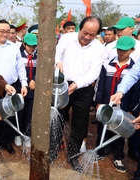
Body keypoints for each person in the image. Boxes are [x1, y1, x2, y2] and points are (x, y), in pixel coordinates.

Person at [55, 16, 106, 171]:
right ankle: (52, 150)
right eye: (85, 33)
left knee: (79, 125)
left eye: (92, 35)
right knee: (56, 118)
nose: (87, 37)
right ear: (79, 28)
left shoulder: (99, 48)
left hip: (83, 88)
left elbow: (94, 73)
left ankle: (73, 156)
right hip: (63, 83)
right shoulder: (67, 38)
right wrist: (57, 62)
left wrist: (77, 84)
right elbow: (57, 52)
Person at [95, 36, 140, 173]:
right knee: (102, 127)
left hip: (124, 106)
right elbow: (100, 85)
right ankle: (99, 151)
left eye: (125, 50)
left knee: (120, 131)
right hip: (107, 103)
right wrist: (98, 102)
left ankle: (118, 156)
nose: (121, 52)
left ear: (132, 50)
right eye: (119, 49)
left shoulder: (133, 65)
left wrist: (132, 110)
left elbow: (136, 91)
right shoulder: (108, 65)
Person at [0, 20, 28, 154]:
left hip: (12, 86)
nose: (5, 34)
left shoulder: (15, 47)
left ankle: (6, 141)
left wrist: (24, 84)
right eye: (2, 31)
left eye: (8, 31)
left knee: (11, 115)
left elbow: (20, 67)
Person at [16, 33, 38, 146]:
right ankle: (18, 134)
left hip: (32, 91)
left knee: (29, 114)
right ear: (24, 44)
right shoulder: (19, 56)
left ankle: (27, 135)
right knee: (20, 113)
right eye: (29, 46)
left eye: (34, 46)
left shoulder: (37, 57)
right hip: (20, 89)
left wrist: (34, 79)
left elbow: (39, 70)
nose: (32, 48)